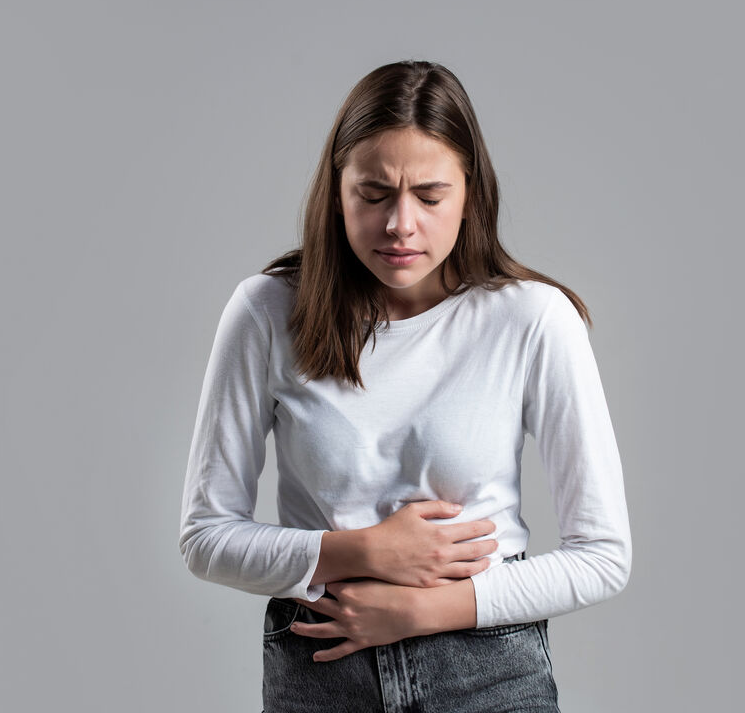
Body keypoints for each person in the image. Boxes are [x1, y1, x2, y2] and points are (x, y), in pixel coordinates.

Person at [179, 59, 632, 713]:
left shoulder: (532, 319)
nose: (400, 224)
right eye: (373, 194)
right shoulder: (267, 311)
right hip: (321, 673)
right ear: (336, 191)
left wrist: (419, 612)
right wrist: (366, 551)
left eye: (429, 195)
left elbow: (603, 556)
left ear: (470, 194)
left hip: (487, 675)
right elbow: (205, 538)